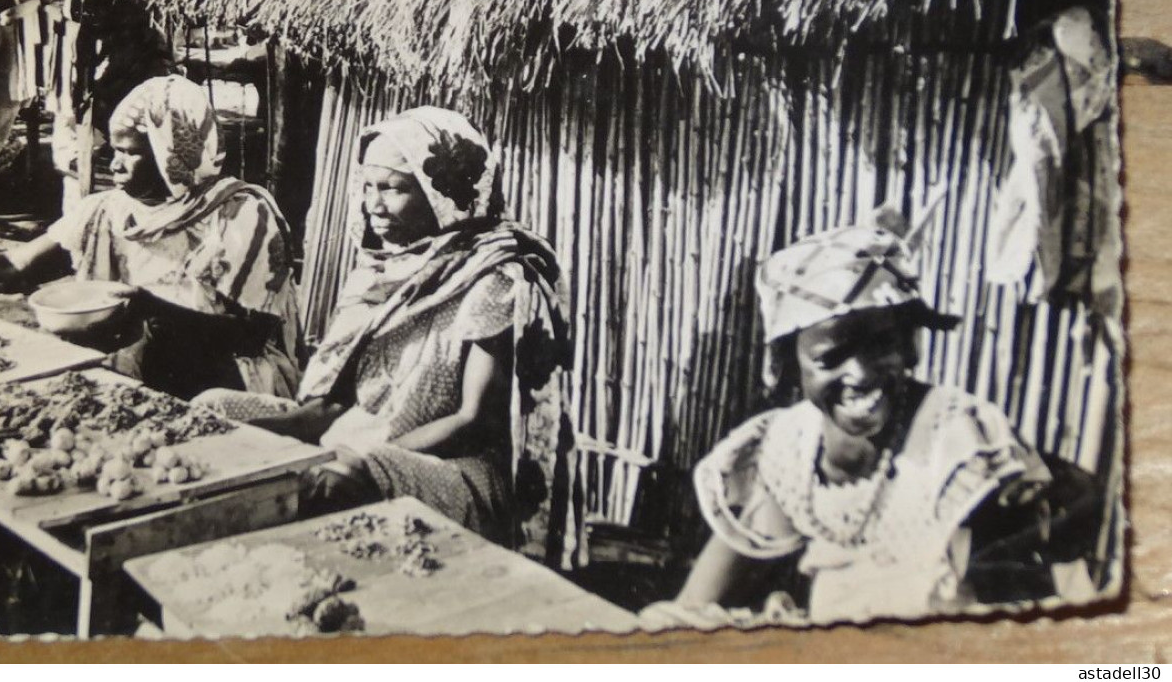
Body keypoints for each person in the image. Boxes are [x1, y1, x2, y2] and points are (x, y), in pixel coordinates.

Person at [653, 224, 1099, 628]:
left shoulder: (958, 447)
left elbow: (1016, 612)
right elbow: (697, 603)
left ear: (910, 344)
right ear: (790, 367)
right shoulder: (787, 448)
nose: (862, 374)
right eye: (830, 357)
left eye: (881, 344)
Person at [197, 107, 578, 565]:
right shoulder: (386, 269)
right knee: (211, 410)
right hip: (362, 438)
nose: (373, 205)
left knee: (341, 476)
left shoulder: (495, 277)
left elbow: (472, 420)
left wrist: (363, 454)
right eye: (367, 187)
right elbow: (334, 404)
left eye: (393, 189)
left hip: (453, 468)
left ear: (443, 193)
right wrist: (252, 430)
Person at [0, 75, 300, 399]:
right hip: (140, 357)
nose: (112, 163)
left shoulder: (241, 216)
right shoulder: (107, 212)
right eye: (112, 149)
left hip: (229, 374)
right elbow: (11, 269)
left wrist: (148, 310)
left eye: (131, 154)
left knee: (139, 360)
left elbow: (250, 335)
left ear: (172, 155)